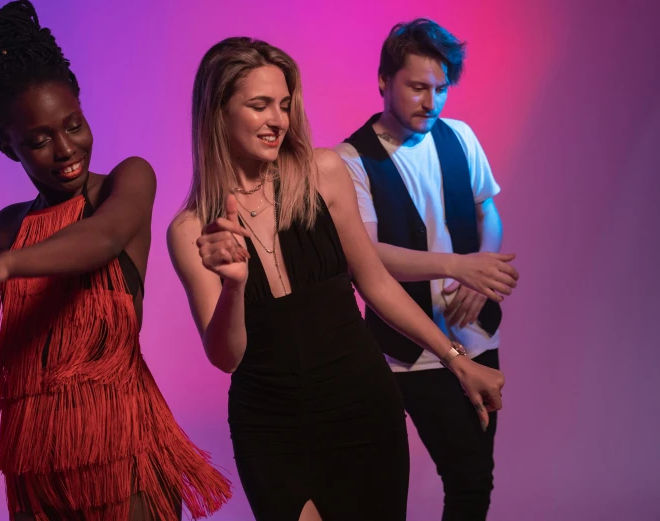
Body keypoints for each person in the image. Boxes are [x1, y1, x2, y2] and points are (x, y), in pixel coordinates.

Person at [167, 36, 504, 521]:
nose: (277, 120)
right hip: (271, 423)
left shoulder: (323, 173)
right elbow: (225, 357)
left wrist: (458, 360)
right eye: (259, 106)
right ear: (218, 113)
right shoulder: (191, 229)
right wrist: (236, 285)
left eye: (283, 105)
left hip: (361, 402)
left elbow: (377, 283)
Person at [0, 2, 230, 519]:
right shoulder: (7, 226)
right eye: (39, 141)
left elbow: (103, 238)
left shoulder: (124, 184)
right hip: (32, 461)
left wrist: (1, 267)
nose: (65, 149)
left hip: (120, 445)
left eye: (74, 125)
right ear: (5, 145)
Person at [334, 18, 519, 521]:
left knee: (475, 478)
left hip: (475, 334)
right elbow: (367, 257)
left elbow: (488, 211)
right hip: (407, 351)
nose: (431, 101)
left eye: (441, 89)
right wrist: (461, 265)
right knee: (453, 475)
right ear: (383, 81)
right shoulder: (351, 160)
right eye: (417, 87)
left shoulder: (460, 137)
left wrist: (478, 281)